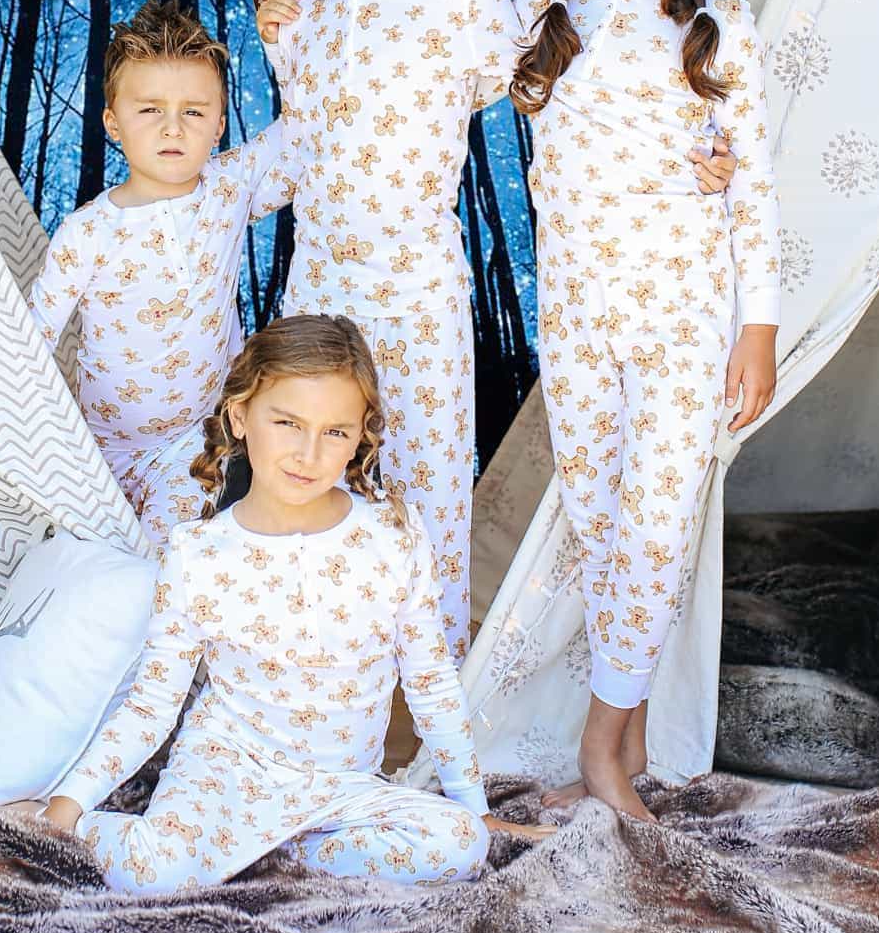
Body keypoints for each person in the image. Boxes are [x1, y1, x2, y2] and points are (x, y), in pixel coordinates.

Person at [254, 0, 737, 656]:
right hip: (316, 294)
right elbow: (296, 145)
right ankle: (309, 676)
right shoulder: (298, 19)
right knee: (305, 484)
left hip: (421, 298)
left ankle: (428, 701)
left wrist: (702, 158)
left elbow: (575, 83)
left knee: (429, 497)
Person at [42, 315, 552, 889]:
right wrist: (68, 806)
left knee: (461, 844)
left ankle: (276, 860)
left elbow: (430, 679)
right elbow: (151, 704)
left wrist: (472, 804)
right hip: (224, 775)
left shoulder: (394, 539)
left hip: (339, 789)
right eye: (287, 423)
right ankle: (190, 850)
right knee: (154, 873)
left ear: (360, 436)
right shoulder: (198, 553)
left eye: (335, 432)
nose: (308, 453)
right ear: (241, 418)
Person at [509, 0, 779, 819]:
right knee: (600, 528)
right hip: (577, 325)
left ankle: (603, 742)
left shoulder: (718, 32)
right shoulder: (543, 23)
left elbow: (752, 187)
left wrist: (758, 323)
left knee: (656, 531)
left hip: (684, 324)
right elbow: (434, 38)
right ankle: (605, 741)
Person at [30, 0, 296, 547]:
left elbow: (301, 130)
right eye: (150, 110)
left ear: (219, 123)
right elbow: (30, 341)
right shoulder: (86, 232)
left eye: (194, 112)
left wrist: (284, 38)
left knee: (165, 561)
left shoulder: (230, 188)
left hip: (193, 443)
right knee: (85, 570)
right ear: (113, 123)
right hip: (98, 453)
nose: (173, 128)